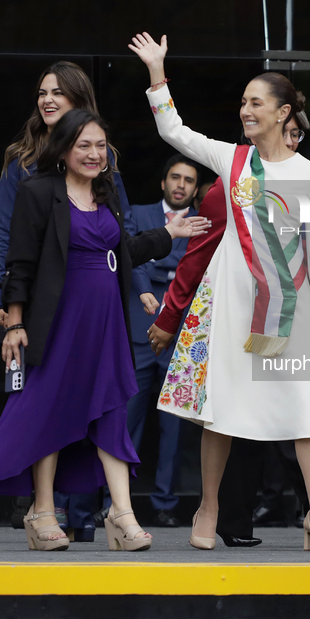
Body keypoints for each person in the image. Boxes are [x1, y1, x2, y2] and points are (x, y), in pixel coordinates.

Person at [130, 31, 310, 552]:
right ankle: (209, 507)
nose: (245, 110)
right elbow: (173, 130)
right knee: (221, 408)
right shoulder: (233, 160)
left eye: (255, 102)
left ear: (283, 111)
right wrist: (157, 71)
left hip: (285, 311)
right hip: (231, 303)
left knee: (305, 408)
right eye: (243, 102)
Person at [0, 109, 209, 552]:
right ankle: (42, 510)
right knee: (49, 408)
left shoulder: (106, 193)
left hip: (106, 324)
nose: (94, 154)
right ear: (62, 148)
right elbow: (19, 264)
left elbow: (125, 250)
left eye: (100, 146)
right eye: (84, 145)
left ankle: (121, 514)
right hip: (56, 322)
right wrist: (16, 322)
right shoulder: (38, 191)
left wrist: (169, 233)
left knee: (110, 410)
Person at [0, 61, 130, 539]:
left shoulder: (104, 167)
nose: (47, 100)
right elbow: (11, 242)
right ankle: (42, 510)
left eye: (58, 93)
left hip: (99, 310)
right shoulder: (23, 167)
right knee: (45, 399)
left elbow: (121, 239)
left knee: (98, 402)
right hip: (46, 308)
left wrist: (145, 286)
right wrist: (6, 308)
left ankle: (94, 515)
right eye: (42, 92)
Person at [96, 154, 199, 529]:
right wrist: (153, 278)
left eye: (189, 180)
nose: (181, 185)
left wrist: (164, 274)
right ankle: (115, 502)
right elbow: (132, 258)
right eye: (175, 177)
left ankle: (165, 503)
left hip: (184, 321)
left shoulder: (201, 220)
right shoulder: (137, 212)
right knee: (128, 414)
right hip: (140, 317)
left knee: (175, 421)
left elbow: (196, 266)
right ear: (163, 182)